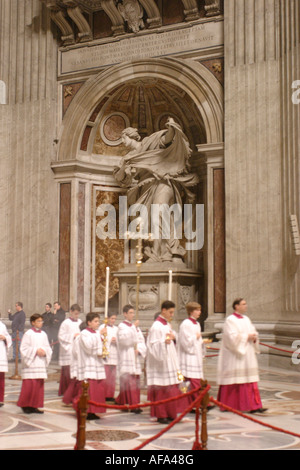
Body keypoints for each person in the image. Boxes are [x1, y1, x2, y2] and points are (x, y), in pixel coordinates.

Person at [113, 118, 199, 263]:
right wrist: (124, 166)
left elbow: (167, 139)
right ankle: (157, 254)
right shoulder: (128, 158)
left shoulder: (149, 142)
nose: (122, 141)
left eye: (123, 137)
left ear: (131, 135)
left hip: (162, 182)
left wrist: (171, 126)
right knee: (151, 220)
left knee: (160, 211)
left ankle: (172, 251)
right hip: (145, 189)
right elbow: (121, 178)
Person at [217, 298, 267, 413]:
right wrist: (246, 337)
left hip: (247, 352)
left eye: (246, 304)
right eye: (243, 304)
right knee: (237, 379)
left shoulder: (246, 319)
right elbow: (231, 337)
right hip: (235, 355)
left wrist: (254, 336)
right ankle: (230, 404)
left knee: (250, 378)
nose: (246, 306)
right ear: (236, 306)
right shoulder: (230, 320)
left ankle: (254, 405)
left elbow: (252, 331)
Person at [146, 300, 183, 424]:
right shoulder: (156, 326)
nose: (172, 315)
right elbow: (152, 345)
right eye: (170, 312)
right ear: (164, 310)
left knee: (171, 388)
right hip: (161, 364)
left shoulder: (166, 324)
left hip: (169, 360)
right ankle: (162, 415)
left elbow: (172, 338)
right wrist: (163, 343)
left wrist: (173, 338)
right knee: (162, 390)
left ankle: (171, 413)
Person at [17, 314, 52, 414]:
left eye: (41, 321)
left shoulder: (44, 334)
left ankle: (35, 405)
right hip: (31, 363)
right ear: (33, 322)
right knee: (29, 385)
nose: (41, 323)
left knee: (38, 386)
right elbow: (23, 348)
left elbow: (48, 347)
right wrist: (36, 351)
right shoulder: (28, 334)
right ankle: (25, 405)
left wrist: (45, 352)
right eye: (38, 321)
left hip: (40, 362)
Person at [115, 305, 146, 413]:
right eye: (130, 313)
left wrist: (140, 350)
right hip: (126, 355)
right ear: (125, 314)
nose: (132, 315)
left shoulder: (135, 327)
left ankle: (128, 402)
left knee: (135, 380)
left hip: (134, 356)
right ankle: (132, 405)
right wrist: (133, 327)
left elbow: (141, 340)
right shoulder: (121, 326)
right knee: (128, 380)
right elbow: (124, 341)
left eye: (133, 313)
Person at [75, 312, 106, 420]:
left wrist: (104, 352)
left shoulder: (96, 333)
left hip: (97, 363)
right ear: (89, 322)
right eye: (95, 321)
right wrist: (99, 335)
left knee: (97, 390)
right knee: (89, 390)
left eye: (98, 321)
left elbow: (102, 346)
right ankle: (87, 411)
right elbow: (88, 347)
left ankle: (94, 411)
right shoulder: (84, 333)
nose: (98, 323)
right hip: (88, 364)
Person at [178, 302, 204, 407]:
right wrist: (195, 337)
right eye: (197, 310)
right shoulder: (185, 324)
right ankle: (196, 402)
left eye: (199, 310)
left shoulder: (197, 324)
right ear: (191, 311)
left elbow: (198, 338)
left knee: (196, 379)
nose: (199, 312)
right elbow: (185, 341)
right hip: (188, 356)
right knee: (192, 380)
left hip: (195, 355)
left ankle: (196, 402)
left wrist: (201, 343)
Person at [58, 304, 82, 396]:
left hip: (77, 349)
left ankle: (74, 391)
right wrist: (73, 336)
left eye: (78, 314)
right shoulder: (65, 323)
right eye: (75, 313)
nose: (77, 316)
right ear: (71, 312)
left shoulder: (80, 322)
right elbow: (61, 336)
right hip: (68, 349)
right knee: (67, 372)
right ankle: (66, 391)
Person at [62, 321, 86, 407]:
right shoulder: (79, 339)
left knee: (77, 383)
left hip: (80, 362)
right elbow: (76, 351)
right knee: (75, 382)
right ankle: (68, 399)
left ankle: (71, 398)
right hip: (77, 363)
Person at [100, 312, 118, 402]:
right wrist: (110, 340)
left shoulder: (117, 328)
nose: (113, 321)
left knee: (112, 376)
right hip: (107, 354)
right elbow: (100, 338)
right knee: (106, 375)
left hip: (115, 353)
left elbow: (120, 339)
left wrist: (117, 341)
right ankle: (103, 394)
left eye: (115, 319)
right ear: (107, 318)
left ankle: (110, 394)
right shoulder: (103, 327)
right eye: (112, 318)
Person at [0, 319, 12, 406]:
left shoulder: (2, 326)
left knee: (1, 379)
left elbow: (8, 338)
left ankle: (0, 399)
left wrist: (5, 338)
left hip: (1, 353)